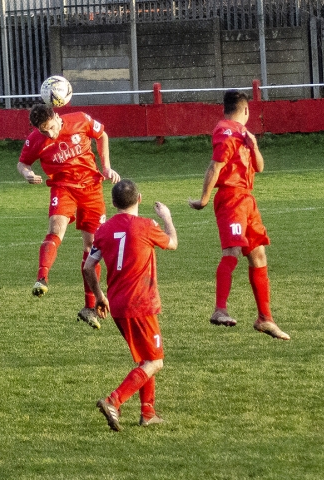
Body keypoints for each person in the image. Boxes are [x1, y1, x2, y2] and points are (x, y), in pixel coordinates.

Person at [189, 89, 290, 340]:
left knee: (258, 254)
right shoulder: (225, 131)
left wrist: (254, 146)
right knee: (232, 251)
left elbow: (260, 167)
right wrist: (204, 199)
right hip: (231, 199)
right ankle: (219, 310)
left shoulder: (243, 133)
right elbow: (216, 166)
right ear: (246, 110)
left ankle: (265, 318)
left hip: (247, 199)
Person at [83, 179, 177, 431]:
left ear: (113, 203)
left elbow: (88, 266)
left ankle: (148, 412)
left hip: (117, 304)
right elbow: (172, 243)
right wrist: (167, 217)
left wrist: (99, 296)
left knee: (145, 358)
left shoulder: (103, 230)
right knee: (155, 361)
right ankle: (114, 400)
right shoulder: (147, 226)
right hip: (141, 303)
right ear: (140, 199)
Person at [17, 104, 121, 329]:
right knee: (56, 228)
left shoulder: (80, 119)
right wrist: (27, 173)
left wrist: (107, 167)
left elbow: (101, 134)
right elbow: (23, 162)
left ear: (56, 116)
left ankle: (89, 307)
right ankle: (42, 277)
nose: (50, 134)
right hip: (63, 188)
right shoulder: (35, 139)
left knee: (92, 247)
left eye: (52, 128)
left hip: (91, 188)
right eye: (44, 131)